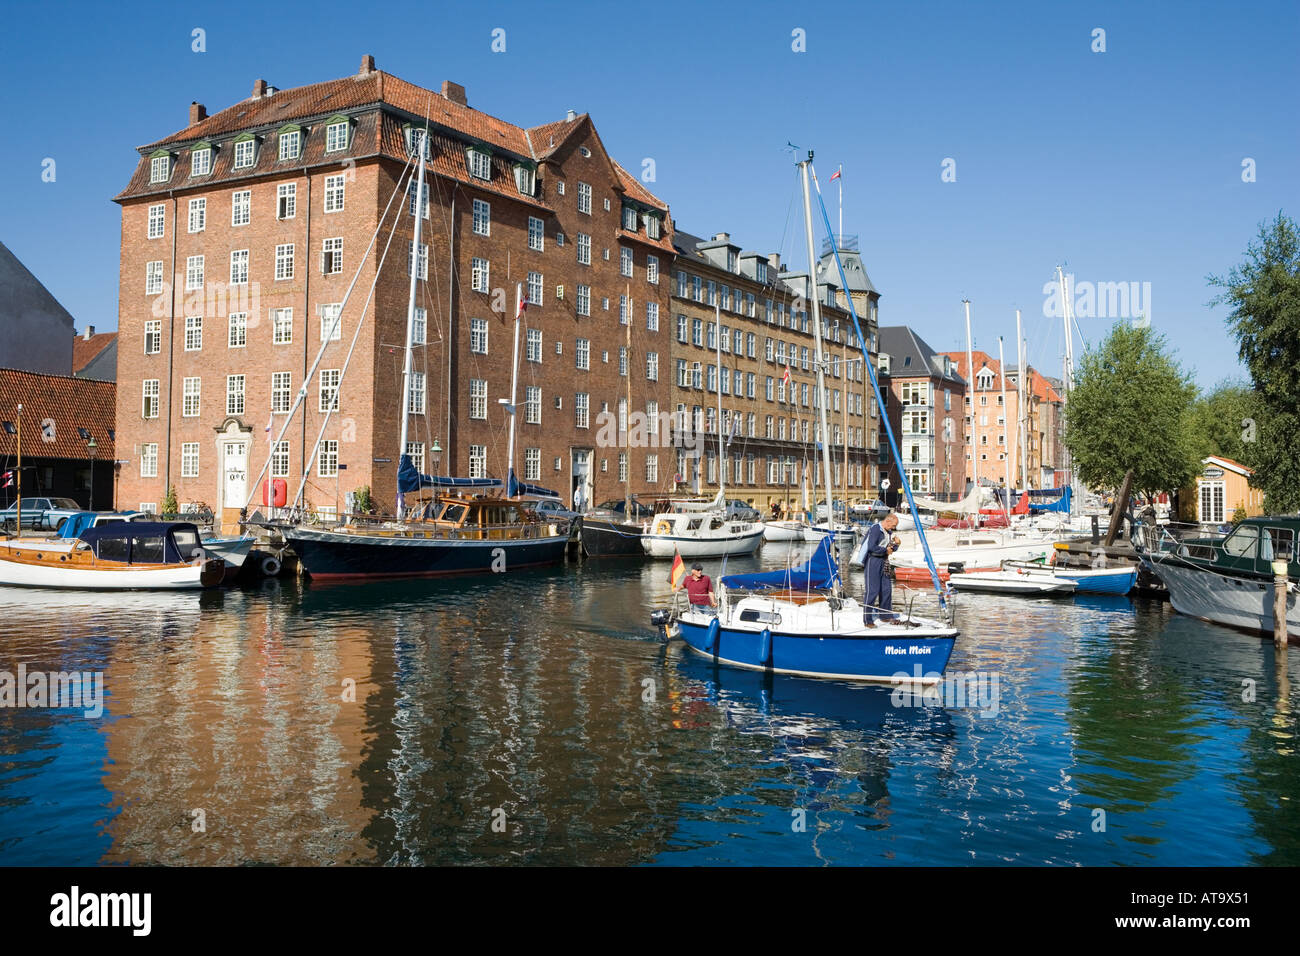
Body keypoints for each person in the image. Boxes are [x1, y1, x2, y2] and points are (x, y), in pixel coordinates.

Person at [862, 512, 900, 626]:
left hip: (884, 561)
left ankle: (885, 615)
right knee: (872, 591)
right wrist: (885, 551)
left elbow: (889, 548)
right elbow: (871, 547)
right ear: (888, 521)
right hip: (873, 561)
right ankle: (867, 620)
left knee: (886, 589)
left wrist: (896, 545)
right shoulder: (875, 529)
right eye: (893, 525)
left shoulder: (888, 532)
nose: (894, 528)